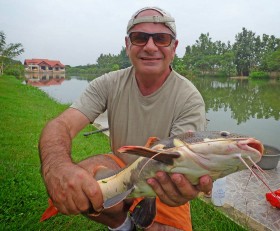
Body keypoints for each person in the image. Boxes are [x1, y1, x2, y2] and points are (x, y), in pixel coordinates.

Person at [39, 6, 212, 231]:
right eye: (139, 38)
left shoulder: (189, 98)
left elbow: (181, 163)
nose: (150, 47)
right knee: (81, 185)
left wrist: (189, 183)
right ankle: (121, 225)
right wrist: (57, 167)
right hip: (121, 168)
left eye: (161, 39)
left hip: (162, 178)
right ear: (128, 44)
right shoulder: (109, 83)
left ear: (174, 47)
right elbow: (61, 124)